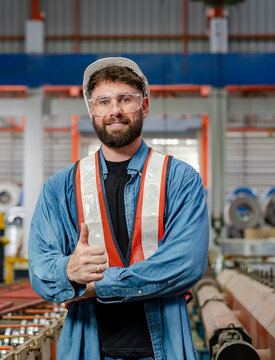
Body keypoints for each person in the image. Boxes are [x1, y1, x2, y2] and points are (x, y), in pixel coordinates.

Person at [28, 57, 209, 360]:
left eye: (126, 99)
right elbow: (40, 271)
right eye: (103, 102)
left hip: (164, 348)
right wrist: (68, 271)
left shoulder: (179, 180)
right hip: (87, 349)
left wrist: (98, 287)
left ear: (144, 106)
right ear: (91, 111)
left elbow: (186, 263)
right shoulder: (60, 188)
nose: (114, 110)